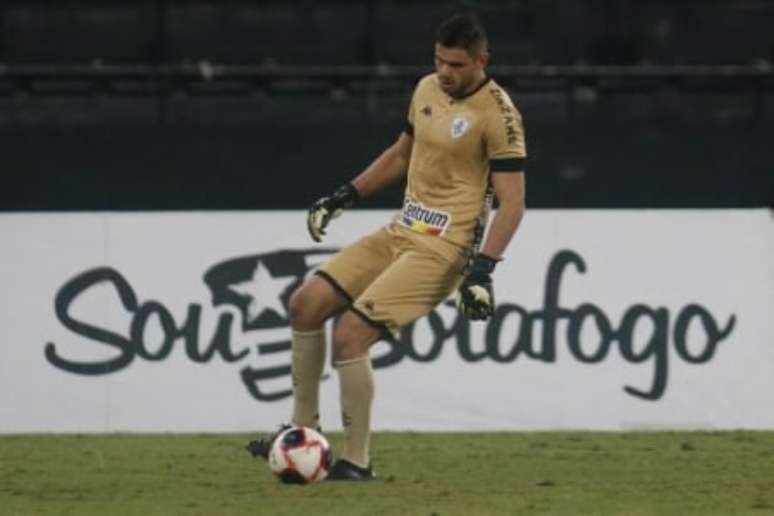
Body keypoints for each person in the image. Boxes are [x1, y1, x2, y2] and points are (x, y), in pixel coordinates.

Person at [247, 12, 527, 481]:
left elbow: (513, 203)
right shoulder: (425, 90)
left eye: (456, 65)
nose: (445, 73)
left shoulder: (498, 114)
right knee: (305, 305)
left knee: (351, 335)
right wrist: (346, 196)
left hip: (444, 249)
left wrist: (482, 272)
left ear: (482, 60)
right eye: (439, 61)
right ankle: (303, 435)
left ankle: (356, 462)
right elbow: (401, 154)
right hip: (401, 232)